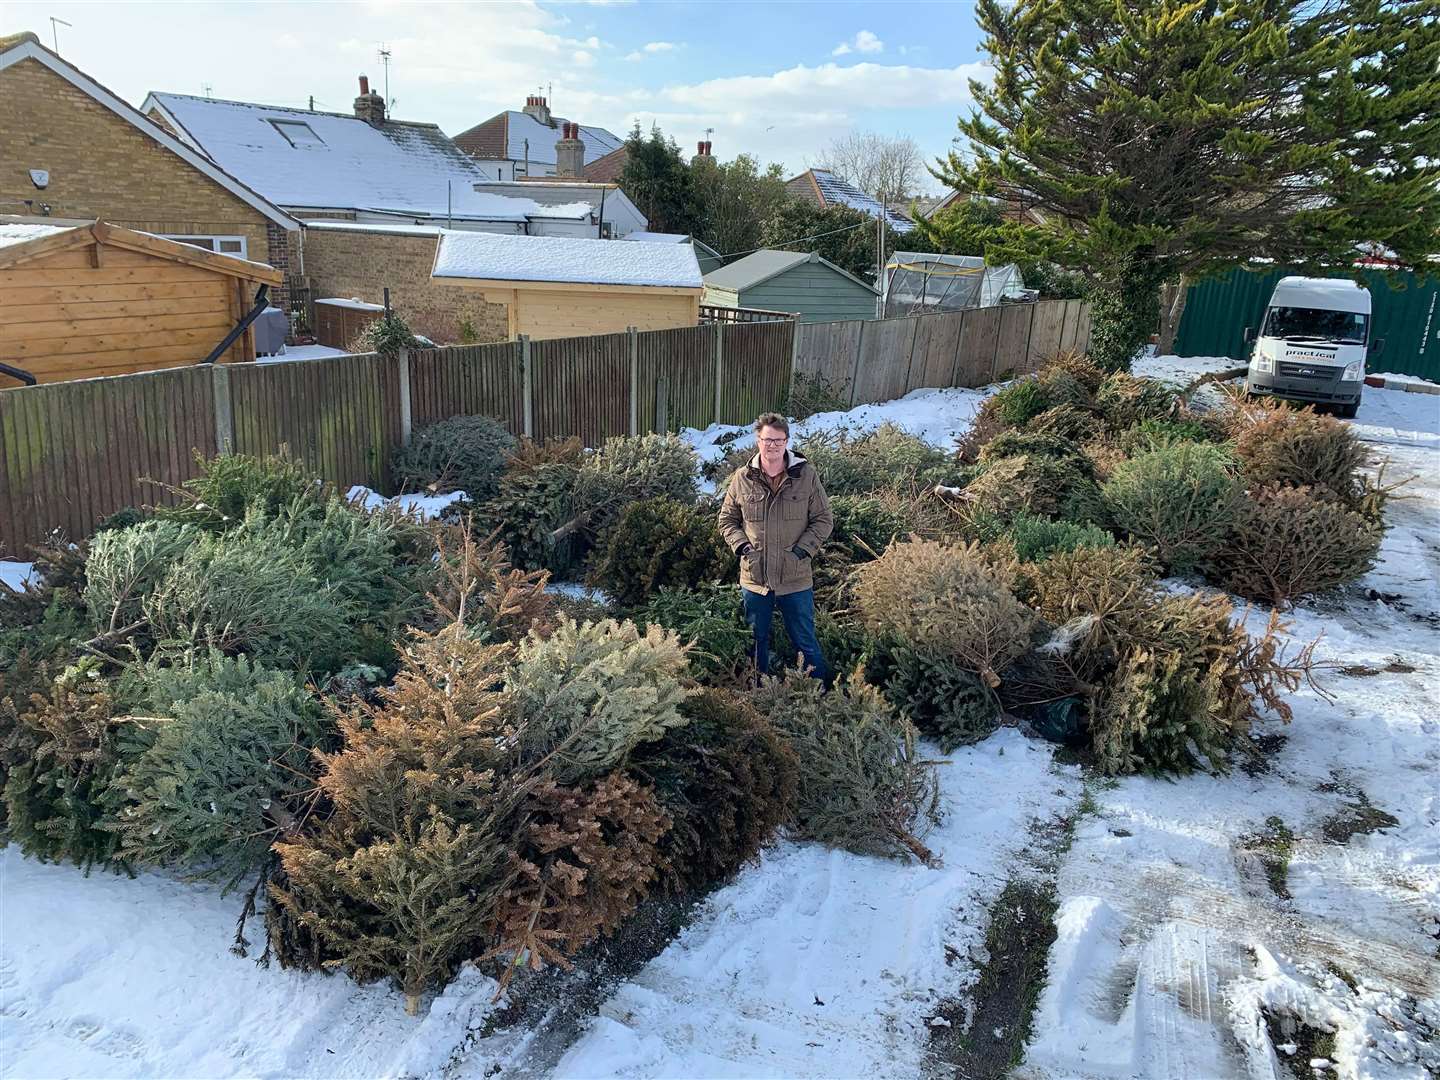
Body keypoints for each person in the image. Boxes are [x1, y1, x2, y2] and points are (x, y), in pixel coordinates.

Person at [718, 412, 833, 683]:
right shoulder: (742, 478)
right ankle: (759, 695)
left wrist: (801, 551)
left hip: (795, 578)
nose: (772, 445)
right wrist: (743, 547)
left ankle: (822, 695)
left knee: (805, 640)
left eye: (778, 440)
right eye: (767, 439)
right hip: (755, 580)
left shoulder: (805, 475)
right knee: (756, 642)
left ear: (787, 442)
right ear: (758, 440)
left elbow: (823, 519)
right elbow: (727, 520)